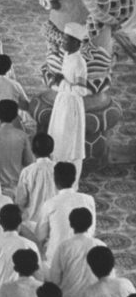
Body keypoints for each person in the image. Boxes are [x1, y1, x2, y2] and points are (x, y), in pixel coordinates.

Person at [48, 24, 89, 182]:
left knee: (70, 143)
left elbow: (82, 90)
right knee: (58, 137)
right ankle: (58, 176)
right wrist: (58, 81)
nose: (62, 42)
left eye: (66, 40)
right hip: (63, 102)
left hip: (72, 106)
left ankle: (71, 181)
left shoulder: (79, 63)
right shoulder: (68, 56)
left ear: (76, 43)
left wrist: (63, 83)